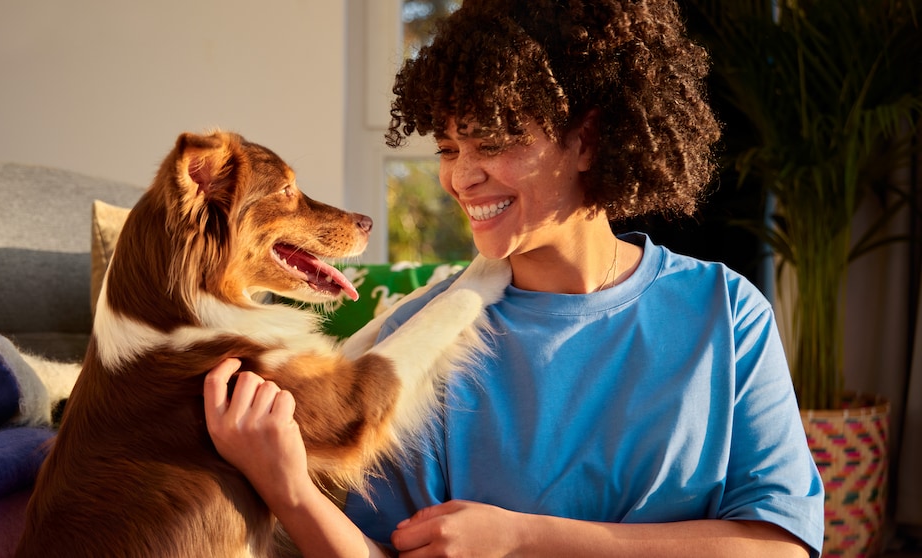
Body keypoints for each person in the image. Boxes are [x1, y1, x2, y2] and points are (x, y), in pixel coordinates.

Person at [203, 0, 825, 556]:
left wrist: (524, 538)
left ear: (588, 139)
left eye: (493, 142)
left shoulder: (726, 311)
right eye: (448, 148)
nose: (461, 178)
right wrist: (289, 492)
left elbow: (782, 543)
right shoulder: (420, 342)